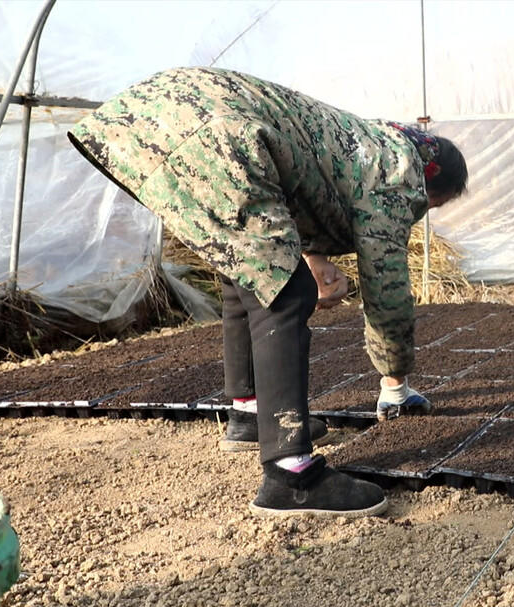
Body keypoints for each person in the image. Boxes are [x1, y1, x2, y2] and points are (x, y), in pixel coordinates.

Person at [68, 67, 468, 517]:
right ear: (432, 184)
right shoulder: (399, 173)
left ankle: (249, 414)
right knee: (286, 289)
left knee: (245, 272)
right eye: (431, 206)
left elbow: (302, 188)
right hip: (219, 130)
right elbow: (387, 287)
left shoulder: (364, 141)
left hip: (160, 112)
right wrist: (395, 385)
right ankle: (291, 474)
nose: (421, 213)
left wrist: (316, 260)